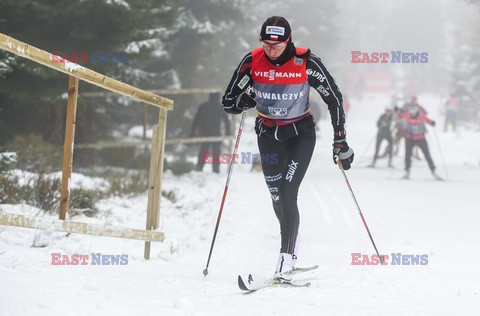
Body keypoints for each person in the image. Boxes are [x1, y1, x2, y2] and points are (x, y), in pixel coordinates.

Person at [221, 16, 354, 282]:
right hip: (268, 136)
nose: (271, 49)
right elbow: (228, 102)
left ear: (288, 40)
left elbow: (334, 98)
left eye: (277, 44)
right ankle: (291, 238)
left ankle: (285, 260)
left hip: (300, 135)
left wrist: (340, 140)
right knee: (276, 197)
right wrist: (242, 100)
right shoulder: (252, 61)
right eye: (266, 44)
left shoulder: (306, 62)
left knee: (287, 191)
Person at [397, 105, 441, 180]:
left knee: (427, 155)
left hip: (420, 138)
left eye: (413, 113)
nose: (412, 114)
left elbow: (427, 120)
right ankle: (407, 172)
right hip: (409, 138)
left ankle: (433, 171)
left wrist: (432, 123)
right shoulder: (407, 114)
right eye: (411, 113)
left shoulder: (421, 115)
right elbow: (399, 117)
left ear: (417, 112)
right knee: (407, 155)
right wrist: (398, 112)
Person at [191, 92, 231, 173]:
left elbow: (196, 120)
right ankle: (215, 170)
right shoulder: (219, 106)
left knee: (203, 151)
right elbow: (226, 120)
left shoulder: (203, 106)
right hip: (216, 134)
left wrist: (193, 131)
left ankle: (199, 168)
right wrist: (227, 132)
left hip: (205, 133)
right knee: (216, 153)